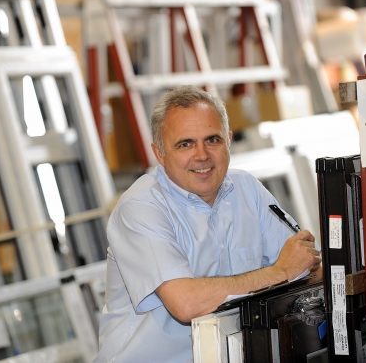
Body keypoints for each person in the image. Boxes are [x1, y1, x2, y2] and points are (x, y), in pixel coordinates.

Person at [95, 85, 321, 362]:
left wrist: (292, 267)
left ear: (228, 140)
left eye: (212, 140)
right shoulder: (141, 207)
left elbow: (306, 264)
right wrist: (279, 271)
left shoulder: (247, 189)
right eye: (185, 144)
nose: (201, 155)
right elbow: (186, 303)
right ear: (159, 153)